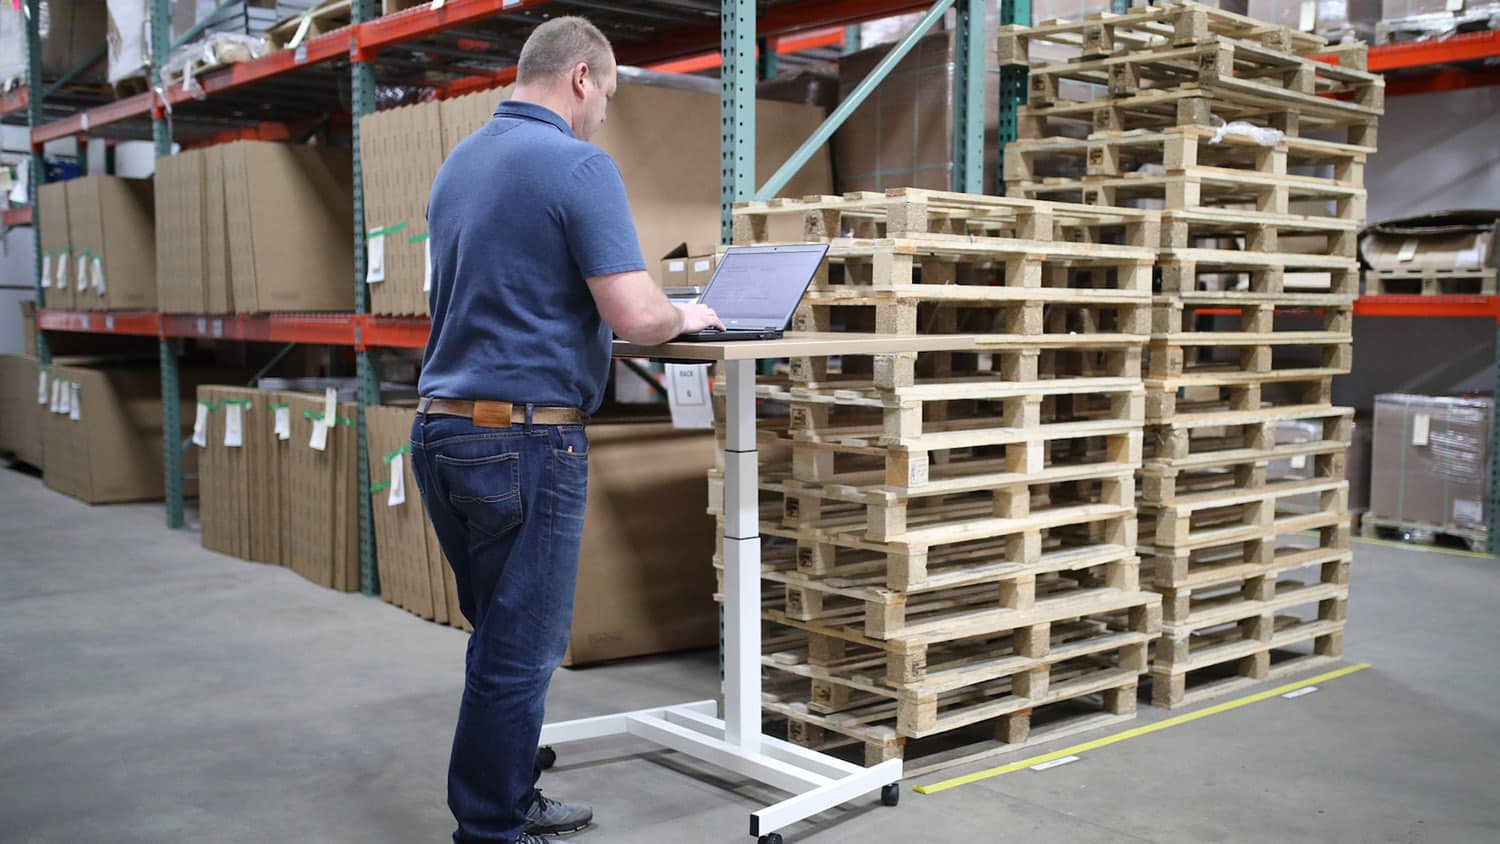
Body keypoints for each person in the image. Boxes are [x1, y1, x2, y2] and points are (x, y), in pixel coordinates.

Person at [408, 15, 723, 844]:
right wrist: (686, 312)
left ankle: (503, 786)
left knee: (500, 636)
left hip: (443, 433)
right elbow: (633, 310)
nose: (605, 115)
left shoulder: (460, 165)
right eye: (609, 95)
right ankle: (492, 829)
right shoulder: (577, 165)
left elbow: (509, 291)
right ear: (581, 77)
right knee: (523, 649)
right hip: (523, 440)